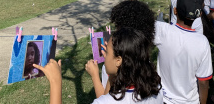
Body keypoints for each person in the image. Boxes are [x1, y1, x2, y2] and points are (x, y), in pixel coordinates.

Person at [35, 28, 163, 104]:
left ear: (119, 60)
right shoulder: (156, 88)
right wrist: (113, 75)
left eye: (107, 52)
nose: (104, 55)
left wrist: (55, 81)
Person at [86, 0, 156, 98]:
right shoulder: (145, 63)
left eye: (117, 27)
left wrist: (95, 75)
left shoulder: (114, 69)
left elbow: (104, 100)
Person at [155, 0, 213, 103]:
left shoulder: (162, 31)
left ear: (175, 11)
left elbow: (140, 19)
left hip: (163, 99)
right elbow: (203, 81)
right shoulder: (202, 42)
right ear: (199, 15)